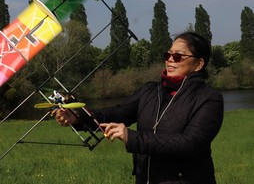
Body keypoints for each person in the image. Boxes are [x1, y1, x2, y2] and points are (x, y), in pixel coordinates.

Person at [54, 32, 224, 184]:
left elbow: (190, 143)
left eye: (178, 56)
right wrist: (78, 117)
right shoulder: (150, 91)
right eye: (168, 54)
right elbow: (117, 113)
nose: (170, 59)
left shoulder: (209, 98)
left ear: (198, 64)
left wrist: (133, 138)